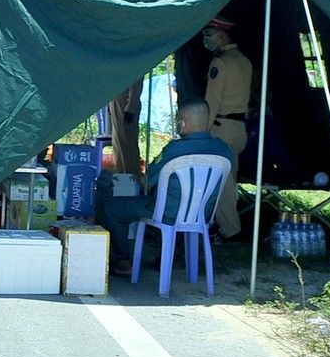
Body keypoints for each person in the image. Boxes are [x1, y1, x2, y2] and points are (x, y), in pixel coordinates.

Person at [100, 99, 232, 276]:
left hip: (166, 213)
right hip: (202, 215)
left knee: (114, 207)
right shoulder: (223, 150)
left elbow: (147, 182)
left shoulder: (173, 150)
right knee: (175, 207)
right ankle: (169, 256)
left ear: (182, 123)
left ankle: (123, 260)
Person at [200, 15, 252, 240]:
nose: (206, 38)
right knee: (230, 178)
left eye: (209, 33)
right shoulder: (243, 60)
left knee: (221, 182)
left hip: (220, 127)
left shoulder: (220, 63)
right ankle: (221, 225)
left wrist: (202, 131)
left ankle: (230, 229)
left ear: (222, 34)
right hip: (239, 128)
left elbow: (212, 102)